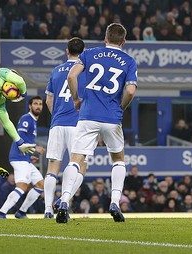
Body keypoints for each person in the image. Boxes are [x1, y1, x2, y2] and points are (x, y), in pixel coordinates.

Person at [56, 23, 137, 223]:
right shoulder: (129, 61)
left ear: (106, 38)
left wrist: (76, 98)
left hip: (88, 115)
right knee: (118, 160)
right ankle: (115, 202)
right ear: (124, 42)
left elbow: (71, 76)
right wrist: (121, 107)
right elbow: (131, 91)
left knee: (75, 160)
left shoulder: (90, 53)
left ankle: (65, 200)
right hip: (112, 116)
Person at [43, 37, 86, 219]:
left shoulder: (56, 71)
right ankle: (64, 200)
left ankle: (47, 209)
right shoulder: (85, 70)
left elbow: (48, 100)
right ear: (82, 53)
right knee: (79, 165)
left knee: (53, 166)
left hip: (57, 124)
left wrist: (57, 116)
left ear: (66, 51)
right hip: (77, 124)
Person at [0, 96, 45, 219]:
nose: (38, 106)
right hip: (18, 158)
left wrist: (30, 155)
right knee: (22, 187)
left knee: (40, 185)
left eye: (40, 104)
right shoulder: (26, 119)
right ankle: (1, 213)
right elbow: (19, 137)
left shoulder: (33, 120)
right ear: (30, 106)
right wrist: (34, 148)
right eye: (35, 104)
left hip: (25, 158)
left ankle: (22, 212)